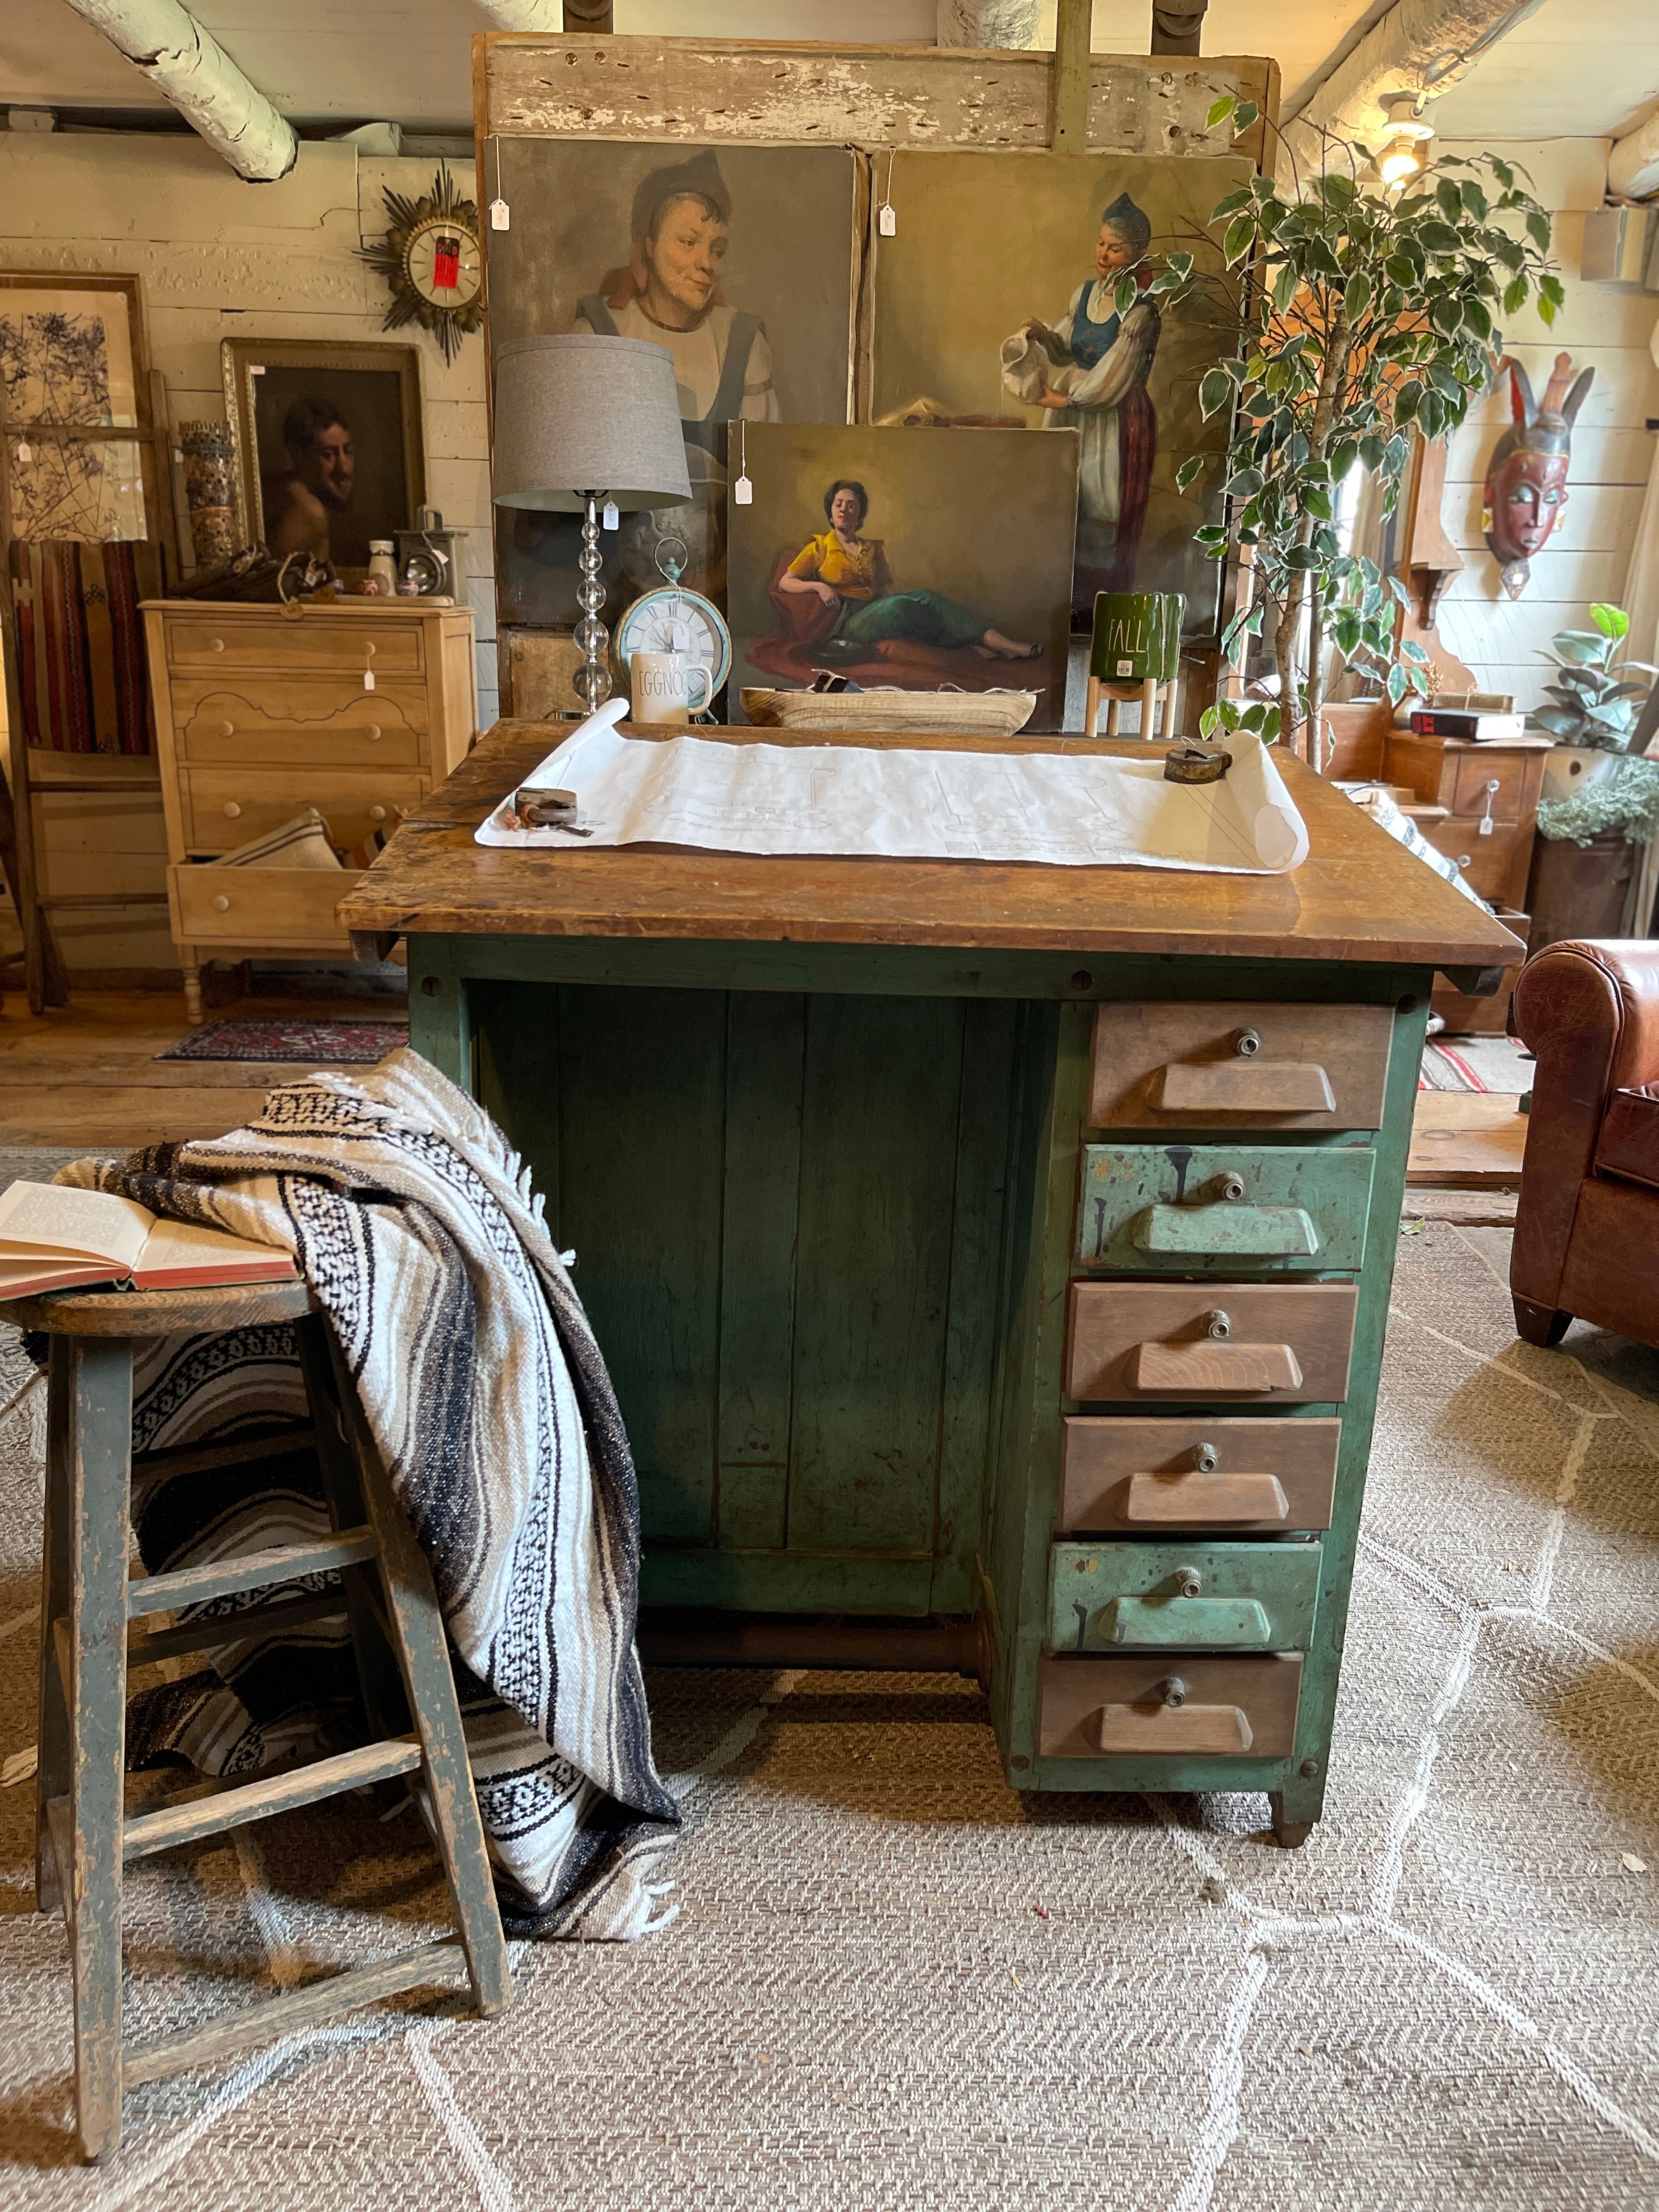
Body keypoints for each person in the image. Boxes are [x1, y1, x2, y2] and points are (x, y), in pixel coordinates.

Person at [1000, 190, 1160, 597]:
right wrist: (1043, 335)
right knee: (1066, 492)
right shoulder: (1086, 294)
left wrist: (1068, 400)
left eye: (1116, 249)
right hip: (1077, 405)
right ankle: (1057, 596)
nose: (1104, 255)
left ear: (1137, 253)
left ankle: (1094, 601)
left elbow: (1116, 371)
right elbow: (1067, 349)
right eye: (1101, 243)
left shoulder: (1140, 310)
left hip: (1115, 413)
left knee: (1101, 499)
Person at [777, 479, 1037, 659]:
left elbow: (887, 587)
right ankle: (987, 643)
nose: (844, 510)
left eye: (851, 505)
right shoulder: (820, 547)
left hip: (878, 609)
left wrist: (897, 605)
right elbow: (786, 582)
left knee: (924, 599)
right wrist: (819, 586)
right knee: (906, 605)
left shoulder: (872, 548)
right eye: (839, 504)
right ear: (831, 514)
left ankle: (983, 642)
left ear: (860, 515)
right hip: (848, 622)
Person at [263, 395, 354, 562]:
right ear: (298, 455)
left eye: (347, 451)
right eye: (328, 455)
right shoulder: (309, 512)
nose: (345, 468)